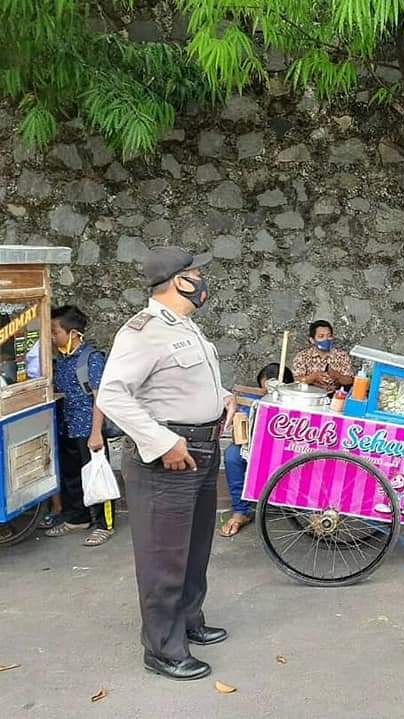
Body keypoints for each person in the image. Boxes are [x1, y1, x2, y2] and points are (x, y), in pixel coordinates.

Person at [97, 246, 236, 682]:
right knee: (164, 557)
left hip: (201, 449)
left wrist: (223, 398)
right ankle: (162, 648)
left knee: (194, 548)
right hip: (168, 457)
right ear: (180, 281)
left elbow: (180, 384)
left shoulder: (186, 326)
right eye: (197, 273)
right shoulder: (142, 331)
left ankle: (189, 621)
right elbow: (112, 395)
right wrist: (161, 442)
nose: (203, 280)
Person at [43, 305, 115, 546]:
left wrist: (96, 433)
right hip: (67, 428)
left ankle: (105, 524)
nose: (52, 337)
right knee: (72, 476)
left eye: (55, 332)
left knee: (98, 475)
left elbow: (100, 398)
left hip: (88, 429)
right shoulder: (61, 360)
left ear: (73, 333)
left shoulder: (91, 359)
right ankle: (78, 518)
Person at [220, 362, 294, 537]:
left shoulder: (295, 400)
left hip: (284, 447)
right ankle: (241, 511)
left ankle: (310, 511)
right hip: (252, 444)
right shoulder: (251, 398)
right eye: (266, 384)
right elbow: (241, 426)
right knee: (232, 455)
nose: (269, 389)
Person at [291, 320, 354, 395]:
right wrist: (313, 377)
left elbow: (350, 380)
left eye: (329, 336)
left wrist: (337, 376)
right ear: (312, 340)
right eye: (321, 336)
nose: (326, 339)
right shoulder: (302, 356)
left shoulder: (341, 355)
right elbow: (296, 380)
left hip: (336, 396)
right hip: (310, 396)